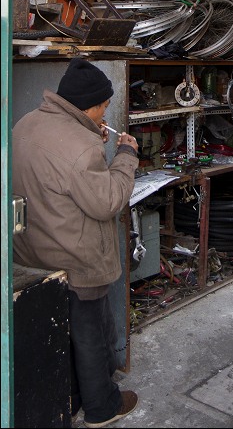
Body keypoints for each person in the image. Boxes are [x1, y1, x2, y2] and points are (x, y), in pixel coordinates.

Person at [12, 58, 139, 428]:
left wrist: (90, 139)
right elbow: (108, 201)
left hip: (33, 253)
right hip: (76, 257)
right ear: (89, 105)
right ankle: (102, 407)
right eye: (105, 105)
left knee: (58, 333)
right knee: (90, 336)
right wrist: (127, 157)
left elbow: (58, 171)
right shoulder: (82, 148)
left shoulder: (26, 123)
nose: (107, 111)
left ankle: (68, 397)